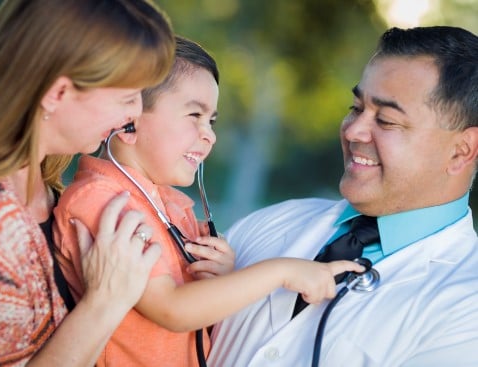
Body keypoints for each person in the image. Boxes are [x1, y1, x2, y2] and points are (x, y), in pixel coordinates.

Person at [53, 35, 364, 366]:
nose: (209, 134)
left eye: (211, 121)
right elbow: (173, 309)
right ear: (127, 123)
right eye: (194, 115)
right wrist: (282, 272)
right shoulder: (101, 201)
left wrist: (220, 279)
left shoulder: (171, 207)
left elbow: (192, 324)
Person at [207, 25, 478, 366]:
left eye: (387, 120)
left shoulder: (468, 309)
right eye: (356, 107)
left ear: (461, 151)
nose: (353, 130)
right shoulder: (271, 223)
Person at [0, 0, 176, 366]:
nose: (135, 113)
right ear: (57, 93)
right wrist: (106, 301)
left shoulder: (47, 190)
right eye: (127, 97)